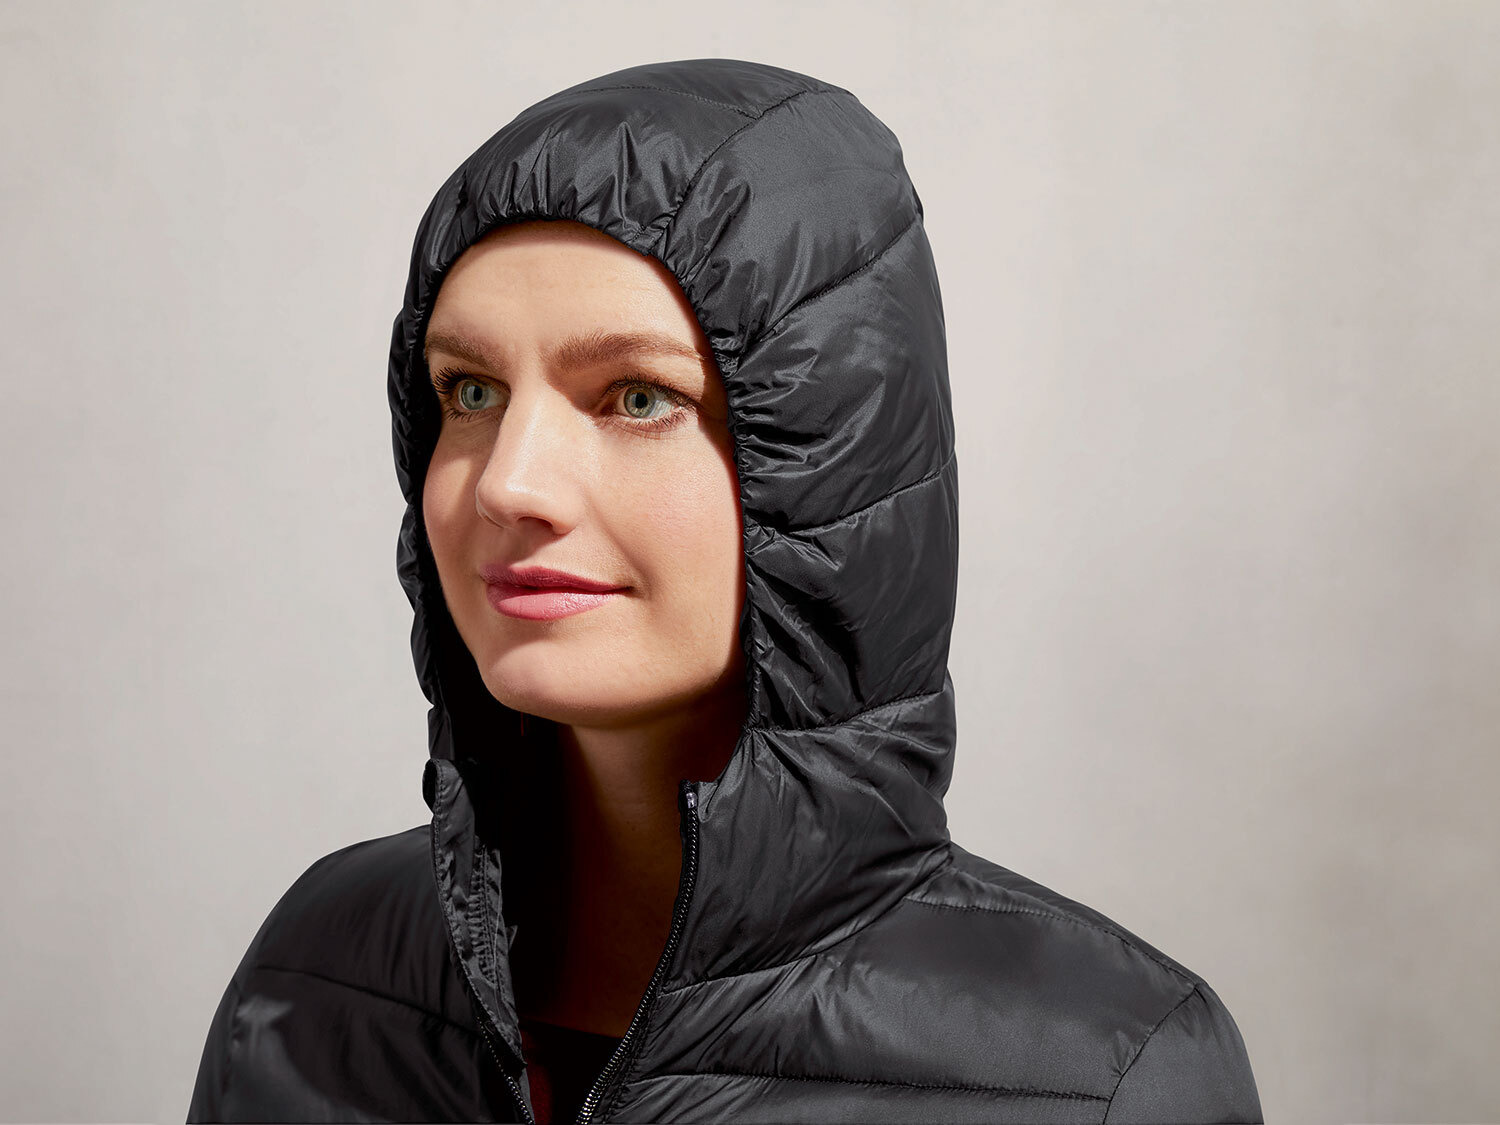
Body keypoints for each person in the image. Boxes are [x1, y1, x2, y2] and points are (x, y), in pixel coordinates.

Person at [187, 58, 1263, 1124]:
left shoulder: (1098, 1075)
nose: (510, 483)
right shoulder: (312, 980)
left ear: (831, 467)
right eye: (470, 391)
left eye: (637, 397)